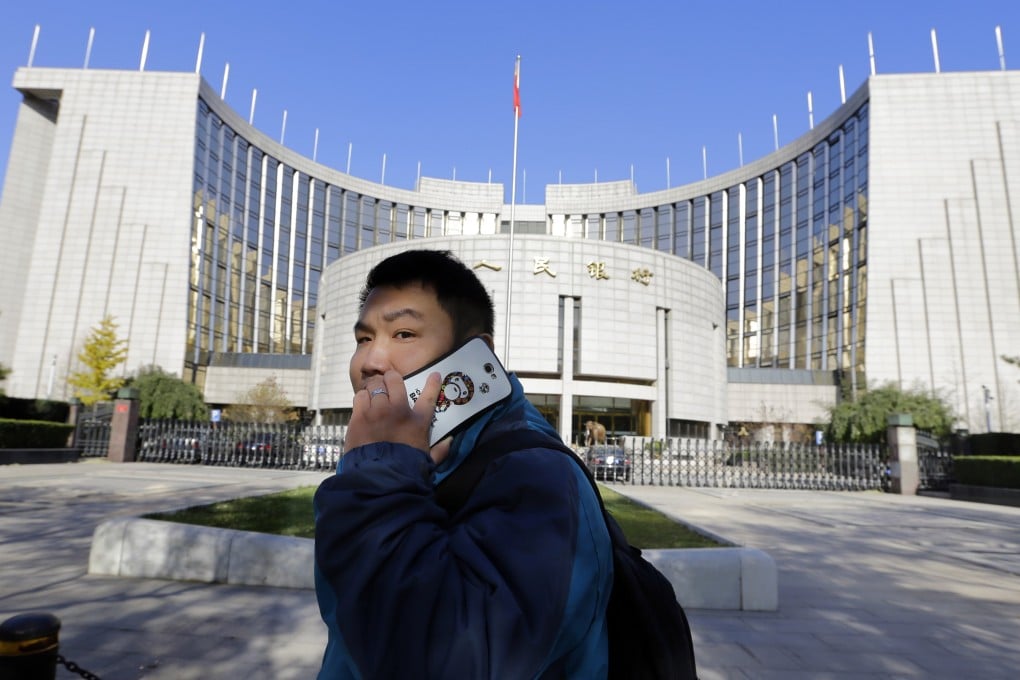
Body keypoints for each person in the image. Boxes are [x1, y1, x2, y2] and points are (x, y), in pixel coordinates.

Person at [314, 249, 613, 679]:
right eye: (363, 339)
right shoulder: (407, 460)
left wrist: (379, 478)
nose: (370, 362)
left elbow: (447, 661)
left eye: (403, 334)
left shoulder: (535, 476)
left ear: (477, 355)